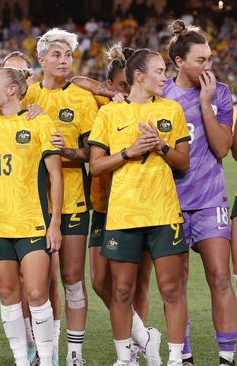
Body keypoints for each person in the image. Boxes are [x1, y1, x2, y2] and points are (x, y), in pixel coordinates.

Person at [88, 48, 191, 366]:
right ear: (139, 76)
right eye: (160, 71)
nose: (165, 76)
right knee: (120, 289)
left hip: (163, 212)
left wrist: (161, 144)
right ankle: (125, 358)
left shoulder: (172, 110)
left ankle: (174, 359)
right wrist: (128, 152)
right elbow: (96, 166)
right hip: (123, 214)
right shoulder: (109, 113)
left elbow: (183, 163)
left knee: (171, 288)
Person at [73, 45, 160, 365]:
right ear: (111, 84)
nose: (127, 90)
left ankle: (133, 351)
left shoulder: (151, 107)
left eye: (128, 84)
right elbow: (74, 79)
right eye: (121, 85)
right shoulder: (104, 104)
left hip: (140, 203)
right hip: (102, 203)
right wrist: (105, 92)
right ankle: (143, 334)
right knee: (99, 280)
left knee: (138, 282)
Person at [25, 28, 100, 366]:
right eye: (56, 55)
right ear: (41, 59)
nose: (64, 61)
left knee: (72, 278)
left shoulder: (82, 100)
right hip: (32, 202)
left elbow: (91, 154)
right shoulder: (26, 96)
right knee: (40, 281)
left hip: (72, 199)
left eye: (68, 55)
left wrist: (65, 149)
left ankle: (75, 353)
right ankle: (45, 351)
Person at [165, 20, 237, 366]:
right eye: (200, 61)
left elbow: (222, 148)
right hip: (170, 204)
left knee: (220, 277)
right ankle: (185, 355)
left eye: (209, 59)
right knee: (174, 284)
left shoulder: (220, 93)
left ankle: (226, 357)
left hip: (210, 201)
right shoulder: (161, 94)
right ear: (179, 62)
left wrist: (206, 103)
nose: (208, 67)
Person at [0, 66, 63, 366]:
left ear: (12, 90)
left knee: (38, 291)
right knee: (7, 293)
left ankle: (46, 357)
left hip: (33, 222)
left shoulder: (40, 121)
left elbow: (56, 175)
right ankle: (21, 359)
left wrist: (55, 223)